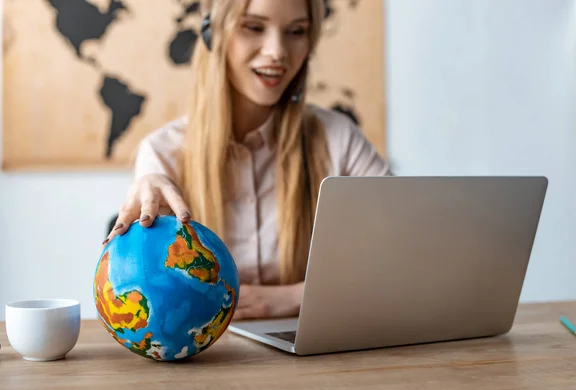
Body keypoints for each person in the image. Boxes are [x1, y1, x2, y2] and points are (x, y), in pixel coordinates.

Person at [104, 0, 391, 320]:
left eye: (296, 31)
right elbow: (146, 297)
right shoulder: (162, 152)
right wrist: (147, 197)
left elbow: (404, 253)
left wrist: (296, 297)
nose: (277, 51)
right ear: (213, 34)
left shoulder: (339, 139)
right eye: (254, 27)